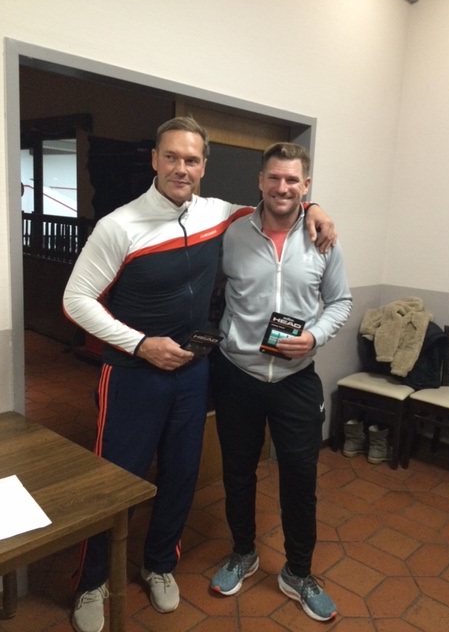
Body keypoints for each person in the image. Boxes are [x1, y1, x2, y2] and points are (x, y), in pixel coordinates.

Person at [62, 116, 336, 632]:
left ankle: (159, 563)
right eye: (171, 157)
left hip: (192, 371)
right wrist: (140, 344)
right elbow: (75, 300)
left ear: (204, 166)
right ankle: (92, 581)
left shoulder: (218, 214)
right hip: (132, 372)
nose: (181, 168)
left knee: (181, 474)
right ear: (155, 160)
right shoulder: (118, 225)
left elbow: (278, 203)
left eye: (191, 160)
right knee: (114, 480)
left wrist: (315, 206)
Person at [210, 142, 352, 622]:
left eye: (292, 180)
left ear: (306, 186)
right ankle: (243, 552)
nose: (282, 187)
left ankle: (298, 573)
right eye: (274, 177)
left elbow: (341, 301)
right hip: (238, 375)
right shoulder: (232, 232)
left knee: (300, 479)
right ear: (260, 181)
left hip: (296, 380)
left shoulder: (322, 239)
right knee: (237, 472)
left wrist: (314, 337)